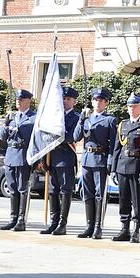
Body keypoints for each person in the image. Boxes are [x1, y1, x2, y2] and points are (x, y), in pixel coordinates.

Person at [73, 87, 116, 239]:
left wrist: (110, 161)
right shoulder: (86, 118)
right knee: (87, 193)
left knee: (100, 194)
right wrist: (81, 120)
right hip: (86, 159)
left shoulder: (110, 120)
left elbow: (113, 144)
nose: (98, 103)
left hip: (100, 159)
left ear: (106, 103)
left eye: (101, 100)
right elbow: (76, 137)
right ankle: (89, 225)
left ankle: (98, 226)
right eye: (95, 100)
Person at [41, 86, 79, 235]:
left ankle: (62, 223)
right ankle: (53, 222)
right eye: (63, 98)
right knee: (52, 191)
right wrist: (44, 158)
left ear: (74, 102)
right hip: (52, 157)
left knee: (65, 191)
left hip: (65, 158)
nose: (65, 101)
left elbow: (72, 137)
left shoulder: (76, 118)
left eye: (68, 99)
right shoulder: (54, 117)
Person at [0, 89, 36, 232]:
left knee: (22, 189)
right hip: (10, 155)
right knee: (12, 189)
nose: (18, 102)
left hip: (23, 156)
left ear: (28, 101)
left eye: (21, 99)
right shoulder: (12, 117)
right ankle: (12, 218)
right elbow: (2, 138)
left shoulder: (33, 118)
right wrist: (5, 123)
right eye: (16, 100)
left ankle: (21, 220)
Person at [111, 94, 140, 243]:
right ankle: (124, 228)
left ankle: (136, 229)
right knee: (123, 199)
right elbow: (116, 148)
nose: (132, 109)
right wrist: (113, 169)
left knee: (137, 200)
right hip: (122, 165)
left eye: (135, 106)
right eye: (130, 106)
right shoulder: (123, 124)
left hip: (137, 165)